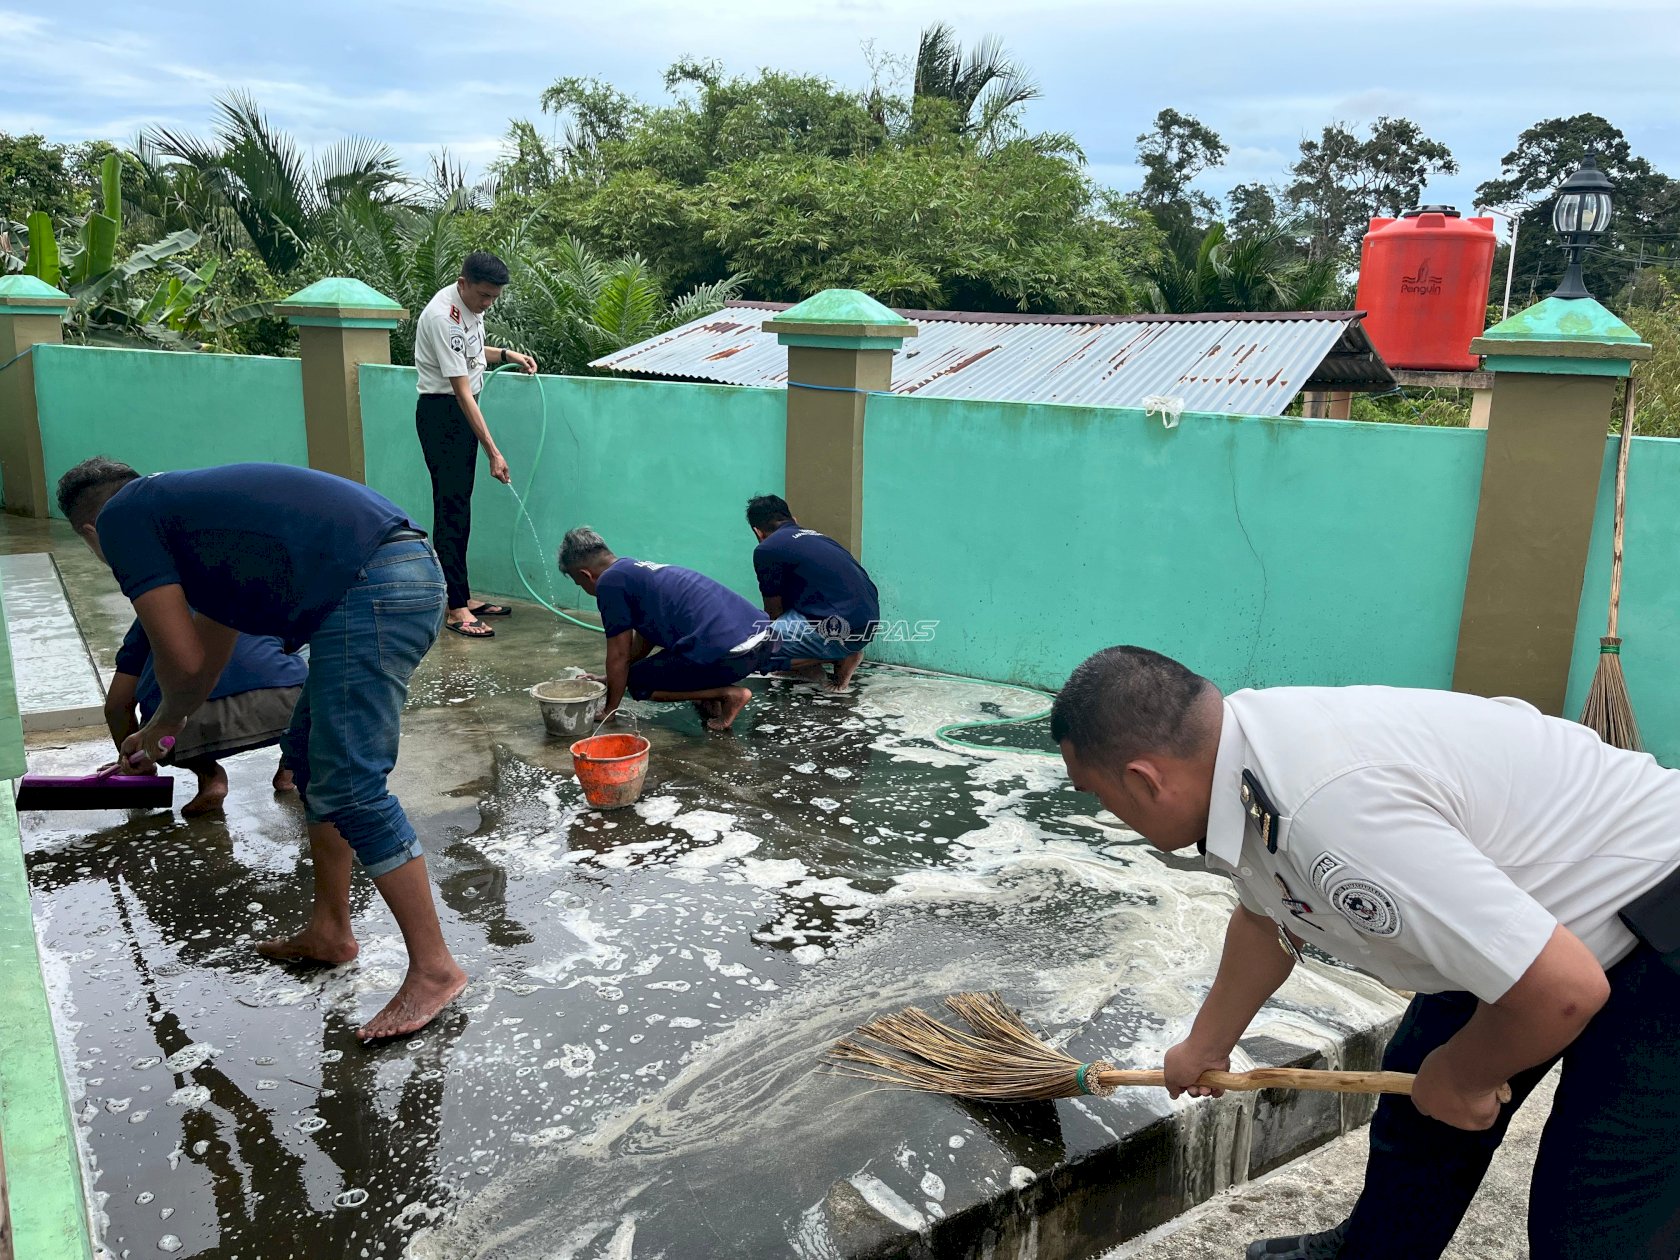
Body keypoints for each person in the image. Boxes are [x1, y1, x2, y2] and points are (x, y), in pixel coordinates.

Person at [1050, 645, 1680, 1260]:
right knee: (1419, 1112)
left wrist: (1465, 1075)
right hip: (1533, 916)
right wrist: (1206, 1045)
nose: (1107, 814)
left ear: (1143, 779)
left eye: (1099, 796)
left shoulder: (1328, 810)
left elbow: (1562, 989)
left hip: (1657, 917)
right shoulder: (1242, 755)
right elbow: (1265, 917)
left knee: (1593, 1213)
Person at [58, 457, 466, 1041]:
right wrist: (167, 728)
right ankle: (329, 930)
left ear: (90, 534)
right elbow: (207, 652)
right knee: (307, 757)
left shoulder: (123, 519)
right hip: (390, 573)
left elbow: (174, 658)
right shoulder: (193, 524)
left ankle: (434, 969)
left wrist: (161, 725)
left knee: (350, 786)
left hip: (371, 586)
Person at [413, 249, 537, 640]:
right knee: (451, 512)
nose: (488, 303)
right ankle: (455, 608)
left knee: (460, 512)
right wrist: (494, 452)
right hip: (444, 415)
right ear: (463, 283)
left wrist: (505, 354)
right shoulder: (440, 316)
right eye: (483, 296)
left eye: (494, 298)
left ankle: (461, 594)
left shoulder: (468, 308)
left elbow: (469, 353)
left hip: (461, 412)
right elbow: (461, 391)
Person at [559, 526, 771, 731]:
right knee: (642, 670)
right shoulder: (634, 570)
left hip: (729, 654)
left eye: (579, 584)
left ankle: (728, 694)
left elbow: (619, 655)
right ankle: (711, 694)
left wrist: (609, 710)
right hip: (759, 643)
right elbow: (644, 640)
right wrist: (609, 678)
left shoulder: (609, 583)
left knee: (637, 682)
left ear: (586, 575)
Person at [107, 617, 306, 815]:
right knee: (308, 670)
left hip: (185, 717)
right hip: (285, 703)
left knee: (154, 729)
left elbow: (117, 706)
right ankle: (293, 765)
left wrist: (138, 762)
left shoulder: (154, 608)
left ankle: (210, 777)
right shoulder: (261, 591)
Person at [745, 494, 879, 691]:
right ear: (794, 520)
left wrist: (777, 652)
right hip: (868, 622)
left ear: (758, 532)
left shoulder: (767, 549)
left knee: (754, 652)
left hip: (841, 629)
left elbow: (773, 611)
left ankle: (841, 655)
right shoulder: (818, 537)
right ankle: (831, 655)